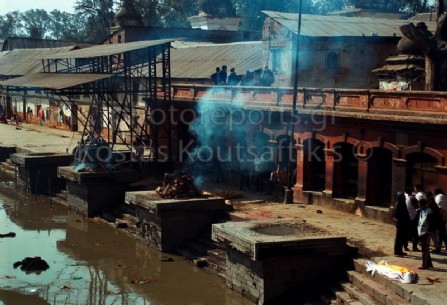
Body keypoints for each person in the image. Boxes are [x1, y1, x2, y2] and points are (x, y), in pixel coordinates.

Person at [416, 199, 434, 269]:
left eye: (419, 204)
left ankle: (425, 264)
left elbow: (431, 222)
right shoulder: (420, 211)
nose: (418, 205)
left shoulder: (428, 211)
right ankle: (429, 263)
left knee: (425, 249)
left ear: (422, 204)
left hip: (426, 232)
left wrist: (429, 231)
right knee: (425, 248)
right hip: (421, 231)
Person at [404, 187, 420, 251]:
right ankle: (414, 247)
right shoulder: (413, 198)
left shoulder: (404, 197)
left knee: (406, 232)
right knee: (415, 233)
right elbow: (417, 206)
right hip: (412, 216)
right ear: (411, 192)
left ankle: (405, 246)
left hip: (405, 216)